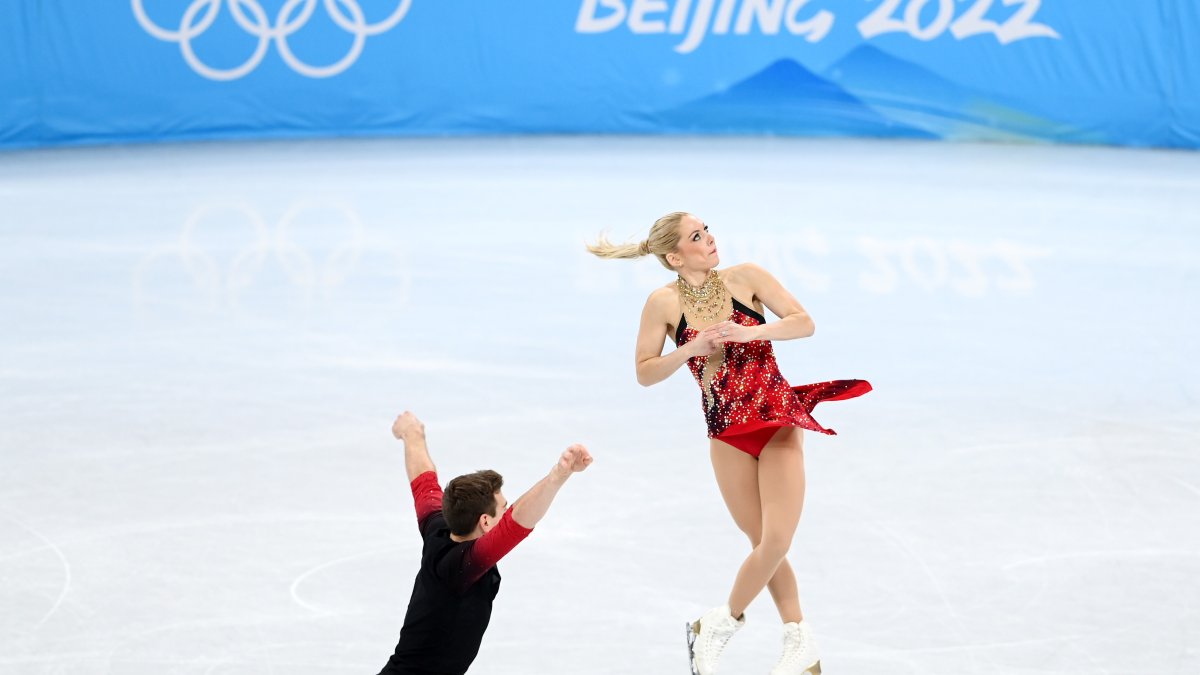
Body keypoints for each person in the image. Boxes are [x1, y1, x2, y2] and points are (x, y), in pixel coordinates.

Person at [588, 212, 871, 675]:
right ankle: (800, 641)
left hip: (776, 419)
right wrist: (686, 351)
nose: (710, 239)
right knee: (762, 541)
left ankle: (718, 623)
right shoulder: (662, 304)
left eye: (708, 230)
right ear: (675, 256)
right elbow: (644, 372)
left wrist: (751, 331)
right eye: (697, 236)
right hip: (725, 433)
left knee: (777, 539)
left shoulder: (747, 277)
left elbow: (804, 323)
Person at [376, 411, 593, 675]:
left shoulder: (439, 528)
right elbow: (515, 525)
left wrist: (412, 434)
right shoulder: (460, 566)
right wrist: (557, 476)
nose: (506, 510)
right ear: (486, 522)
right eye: (502, 507)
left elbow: (424, 482)